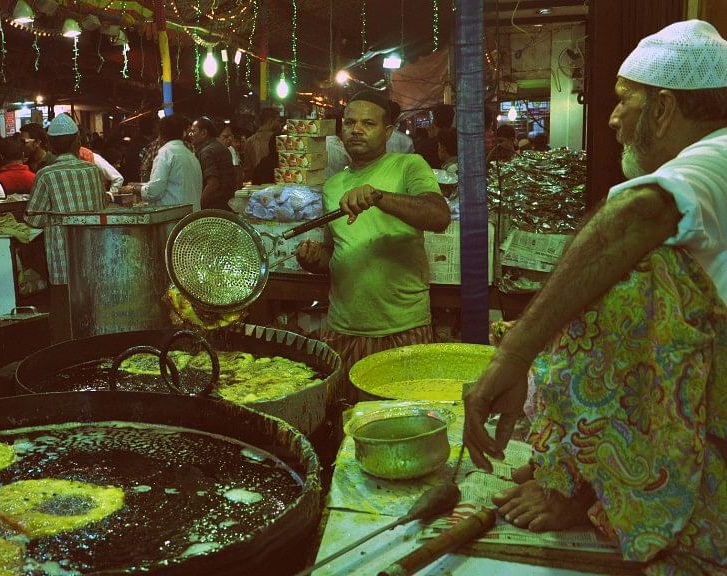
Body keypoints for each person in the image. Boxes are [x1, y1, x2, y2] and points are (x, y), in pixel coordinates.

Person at [462, 20, 727, 574]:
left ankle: (578, 481)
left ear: (662, 110)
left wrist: (514, 357)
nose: (610, 118)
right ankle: (583, 475)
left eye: (621, 101)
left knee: (623, 279)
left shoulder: (717, 156)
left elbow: (633, 215)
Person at [295, 90, 450, 387]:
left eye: (368, 123)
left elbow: (438, 216)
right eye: (350, 122)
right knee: (346, 419)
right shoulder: (333, 185)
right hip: (343, 328)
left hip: (402, 327)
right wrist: (315, 259)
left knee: (401, 420)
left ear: (388, 131)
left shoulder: (409, 166)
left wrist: (378, 197)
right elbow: (338, 250)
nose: (356, 130)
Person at [25, 113, 106, 343]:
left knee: (65, 320)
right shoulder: (93, 171)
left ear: (49, 145)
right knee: (93, 313)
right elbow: (102, 207)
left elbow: (34, 220)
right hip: (92, 255)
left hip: (61, 260)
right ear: (77, 141)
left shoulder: (45, 175)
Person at [120, 114, 202, 211]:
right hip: (193, 218)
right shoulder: (190, 155)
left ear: (161, 134)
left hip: (174, 218)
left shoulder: (166, 153)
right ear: (182, 134)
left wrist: (132, 189)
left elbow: (154, 191)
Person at [189, 116, 236, 211]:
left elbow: (213, 184)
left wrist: (198, 207)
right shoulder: (220, 147)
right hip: (226, 205)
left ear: (204, 133)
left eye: (193, 131)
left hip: (213, 207)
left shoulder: (207, 152)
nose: (190, 134)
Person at [242, 108, 281, 180]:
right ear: (271, 121)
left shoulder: (249, 141)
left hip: (257, 182)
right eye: (278, 120)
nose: (279, 124)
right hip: (275, 180)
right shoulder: (278, 139)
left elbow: (248, 169)